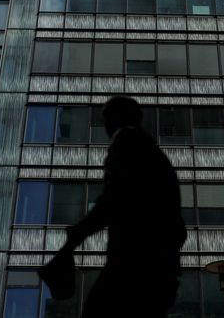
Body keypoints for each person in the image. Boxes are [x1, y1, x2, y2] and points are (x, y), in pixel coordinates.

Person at [40, 96, 187, 317]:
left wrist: (79, 233)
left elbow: (115, 197)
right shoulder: (153, 153)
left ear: (121, 117)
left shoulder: (126, 141)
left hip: (134, 263)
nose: (106, 124)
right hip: (157, 267)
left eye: (108, 117)